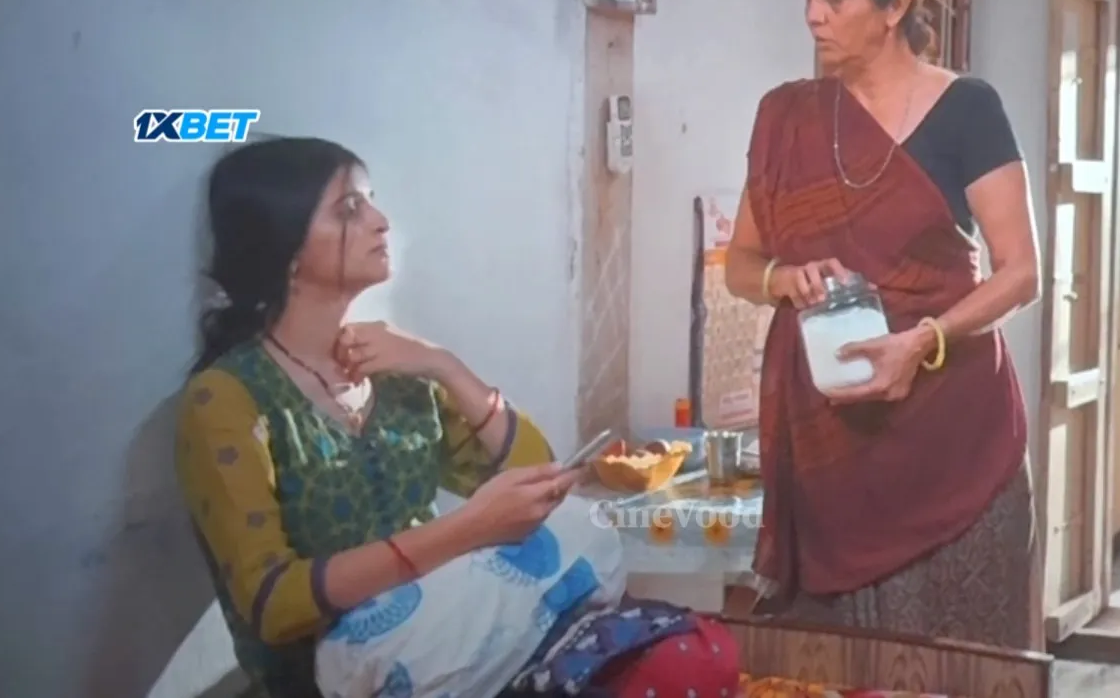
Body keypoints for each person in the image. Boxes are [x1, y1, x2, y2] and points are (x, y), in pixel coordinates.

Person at [176, 138, 735, 697]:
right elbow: (271, 604)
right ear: (287, 249)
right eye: (349, 209)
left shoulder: (394, 369)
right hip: (337, 680)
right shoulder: (226, 400)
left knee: (693, 653)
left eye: (371, 200)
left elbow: (538, 477)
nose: (380, 221)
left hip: (451, 640)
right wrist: (467, 530)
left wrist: (443, 365)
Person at [721, 0, 1041, 649]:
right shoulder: (786, 118)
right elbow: (740, 264)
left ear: (895, 6)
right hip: (829, 437)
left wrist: (922, 341)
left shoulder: (967, 109)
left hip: (953, 434)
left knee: (960, 665)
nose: (813, 16)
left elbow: (1021, 272)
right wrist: (784, 278)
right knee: (837, 670)